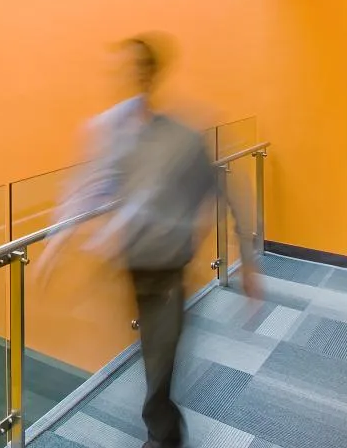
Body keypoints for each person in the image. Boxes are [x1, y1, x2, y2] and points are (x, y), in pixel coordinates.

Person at [40, 35, 260, 448]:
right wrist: (56, 242)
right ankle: (164, 430)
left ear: (152, 73)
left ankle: (164, 437)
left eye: (138, 67)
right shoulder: (112, 130)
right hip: (132, 267)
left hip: (169, 269)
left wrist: (247, 259)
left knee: (160, 363)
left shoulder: (181, 135)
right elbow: (90, 187)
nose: (129, 75)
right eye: (124, 68)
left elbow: (224, 187)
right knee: (154, 357)